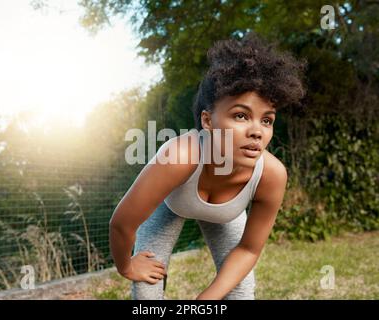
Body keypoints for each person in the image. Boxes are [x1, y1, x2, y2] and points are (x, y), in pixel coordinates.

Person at [109, 32, 306, 300]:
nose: (257, 132)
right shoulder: (180, 156)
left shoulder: (271, 175)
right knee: (146, 293)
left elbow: (248, 250)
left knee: (241, 292)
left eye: (267, 120)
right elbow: (122, 223)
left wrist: (204, 302)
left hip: (227, 216)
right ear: (208, 121)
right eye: (241, 115)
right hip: (171, 204)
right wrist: (127, 266)